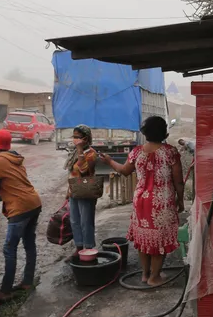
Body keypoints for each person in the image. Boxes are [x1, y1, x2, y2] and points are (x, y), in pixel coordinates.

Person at [101, 116, 184, 286]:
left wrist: (109, 160)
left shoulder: (137, 152)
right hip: (162, 202)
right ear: (164, 132)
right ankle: (155, 277)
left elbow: (124, 171)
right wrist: (180, 200)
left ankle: (145, 275)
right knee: (159, 239)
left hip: (141, 202)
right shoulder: (170, 152)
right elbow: (179, 181)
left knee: (144, 238)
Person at [0, 129, 43, 304]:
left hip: (20, 208)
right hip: (33, 203)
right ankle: (27, 282)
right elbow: (10, 188)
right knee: (29, 244)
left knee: (9, 248)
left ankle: (5, 291)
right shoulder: (16, 158)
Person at [65, 124, 98, 251]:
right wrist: (68, 191)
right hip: (74, 191)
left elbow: (84, 170)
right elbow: (72, 173)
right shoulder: (74, 153)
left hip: (86, 191)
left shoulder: (91, 154)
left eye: (77, 137)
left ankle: (89, 248)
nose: (75, 140)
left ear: (86, 139)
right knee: (74, 221)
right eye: (74, 137)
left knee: (86, 222)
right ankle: (79, 248)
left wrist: (79, 150)